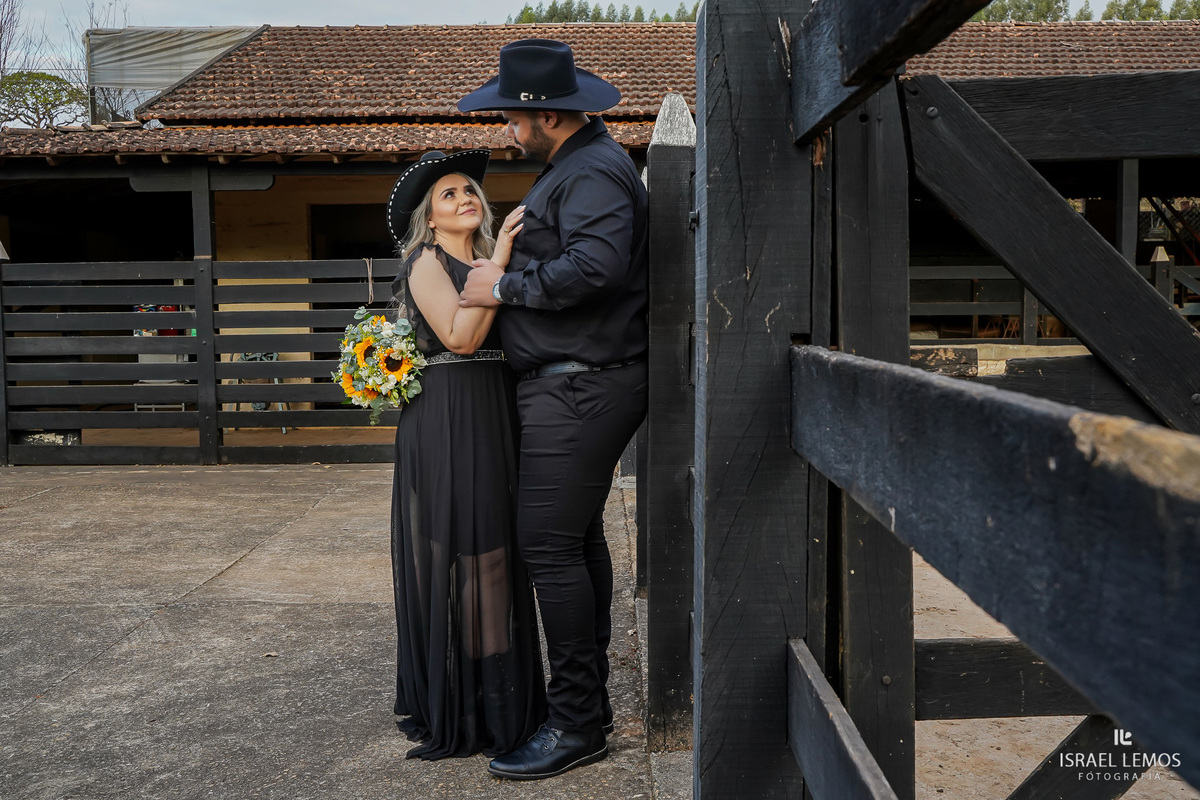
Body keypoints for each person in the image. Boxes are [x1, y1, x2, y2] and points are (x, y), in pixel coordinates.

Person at [458, 39, 649, 780]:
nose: (507, 124)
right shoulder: (577, 166)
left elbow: (597, 267)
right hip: (576, 384)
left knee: (546, 548)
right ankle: (584, 710)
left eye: (511, 113)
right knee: (571, 542)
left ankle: (576, 725)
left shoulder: (593, 171)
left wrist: (500, 289)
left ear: (544, 114)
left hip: (582, 385)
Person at [386, 148, 546, 760]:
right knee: (460, 548)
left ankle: (499, 698)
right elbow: (459, 335)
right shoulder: (426, 261)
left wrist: (496, 264)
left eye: (470, 190)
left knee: (498, 552)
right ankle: (462, 704)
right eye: (449, 194)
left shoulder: (482, 259)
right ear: (430, 214)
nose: (464, 199)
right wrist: (500, 263)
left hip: (495, 407)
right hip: (447, 413)